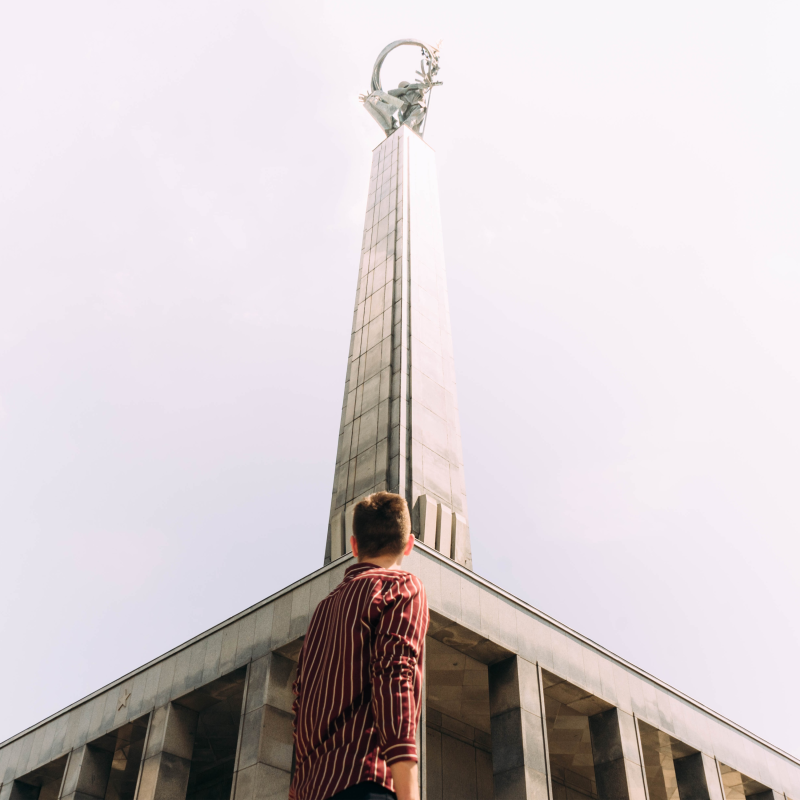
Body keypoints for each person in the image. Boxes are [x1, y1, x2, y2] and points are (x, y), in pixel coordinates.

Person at [289, 492, 429, 800]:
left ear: (354, 545)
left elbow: (301, 703)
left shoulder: (323, 609)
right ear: (409, 544)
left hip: (314, 790)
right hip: (366, 781)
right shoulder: (402, 587)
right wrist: (409, 794)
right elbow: (395, 677)